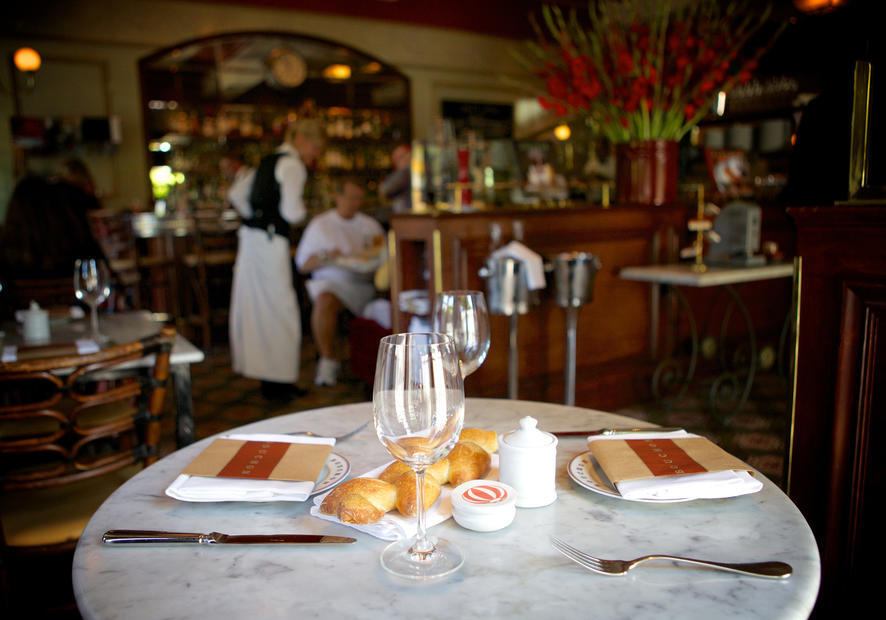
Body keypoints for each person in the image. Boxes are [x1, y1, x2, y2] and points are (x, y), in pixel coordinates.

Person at [227, 118, 325, 401]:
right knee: (282, 310)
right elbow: (293, 212)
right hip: (271, 244)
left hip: (251, 242)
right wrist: (298, 214)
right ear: (304, 141)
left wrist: (256, 216)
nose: (315, 155)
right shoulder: (293, 165)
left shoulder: (268, 160)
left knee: (260, 310)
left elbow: (236, 194)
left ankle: (271, 380)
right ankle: (279, 383)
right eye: (316, 148)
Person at [295, 178, 385, 387]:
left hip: (363, 286)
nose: (355, 202)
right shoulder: (320, 225)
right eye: (351, 198)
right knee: (324, 299)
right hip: (329, 284)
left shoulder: (370, 225)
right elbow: (303, 264)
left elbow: (380, 258)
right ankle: (327, 360)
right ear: (338, 197)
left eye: (358, 199)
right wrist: (327, 257)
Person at [379, 143, 412, 213]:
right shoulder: (400, 173)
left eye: (400, 157)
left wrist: (403, 169)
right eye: (395, 159)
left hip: (408, 214)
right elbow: (383, 191)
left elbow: (386, 189)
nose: (397, 161)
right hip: (400, 214)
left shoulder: (407, 172)